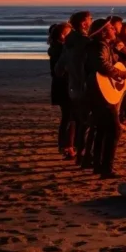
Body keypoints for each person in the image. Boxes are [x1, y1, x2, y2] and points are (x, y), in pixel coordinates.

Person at [85, 17, 126, 179]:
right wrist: (121, 74)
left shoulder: (101, 45)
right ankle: (106, 168)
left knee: (102, 129)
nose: (114, 30)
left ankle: (98, 165)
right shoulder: (100, 45)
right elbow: (102, 65)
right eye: (111, 28)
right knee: (114, 129)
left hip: (96, 91)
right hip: (100, 93)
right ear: (103, 32)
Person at [48, 23, 73, 159]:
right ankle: (66, 146)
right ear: (63, 35)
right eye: (69, 33)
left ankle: (66, 145)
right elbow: (60, 71)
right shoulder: (60, 49)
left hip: (62, 85)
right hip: (63, 86)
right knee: (68, 116)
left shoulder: (58, 48)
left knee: (69, 116)